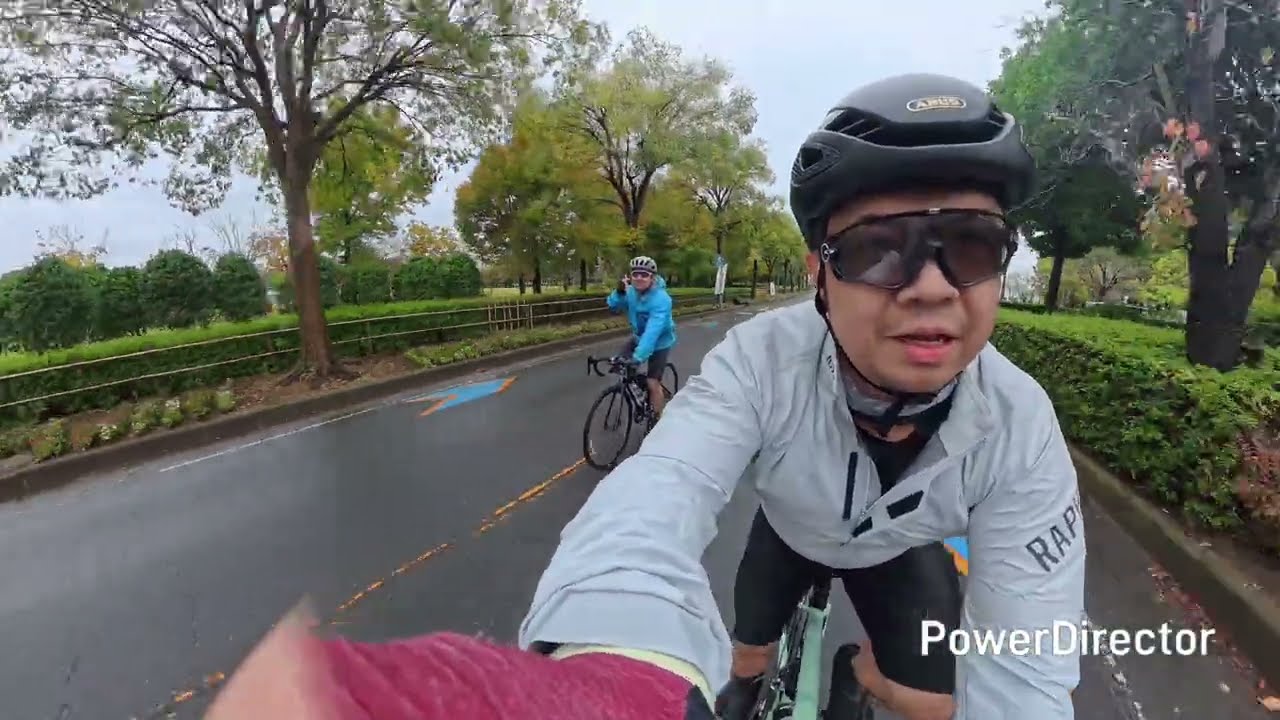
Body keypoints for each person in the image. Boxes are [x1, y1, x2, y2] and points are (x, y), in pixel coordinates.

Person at [202, 73, 1085, 720]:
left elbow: (1030, 664)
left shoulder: (1022, 426)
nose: (931, 288)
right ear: (819, 272)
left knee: (935, 696)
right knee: (743, 663)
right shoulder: (761, 360)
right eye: (882, 248)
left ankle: (854, 679)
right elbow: (655, 492)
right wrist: (615, 672)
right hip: (791, 527)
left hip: (903, 550)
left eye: (971, 245)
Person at [608, 255, 677, 418]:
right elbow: (613, 306)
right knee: (619, 366)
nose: (639, 278)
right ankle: (638, 392)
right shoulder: (631, 292)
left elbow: (653, 331)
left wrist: (638, 357)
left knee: (652, 382)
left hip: (660, 342)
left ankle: (657, 419)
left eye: (644, 275)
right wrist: (618, 292)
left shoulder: (662, 299)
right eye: (635, 274)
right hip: (639, 337)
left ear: (652, 278)